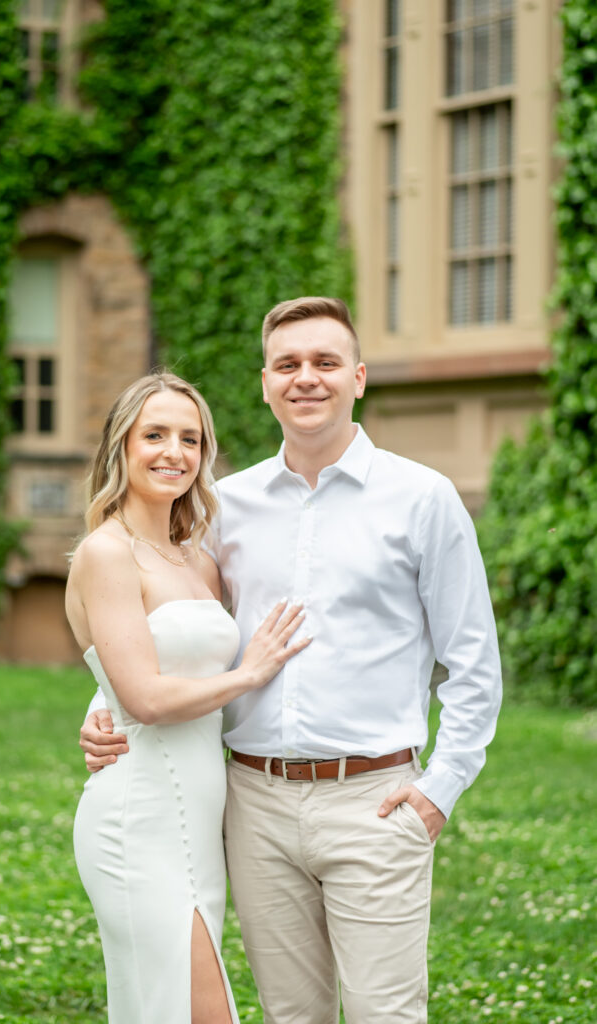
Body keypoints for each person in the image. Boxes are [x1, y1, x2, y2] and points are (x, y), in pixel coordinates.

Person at [81, 298, 502, 1024]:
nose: (306, 378)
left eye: (325, 362)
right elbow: (171, 628)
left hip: (374, 800)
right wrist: (102, 710)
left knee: (385, 1016)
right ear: (266, 382)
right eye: (288, 365)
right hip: (253, 806)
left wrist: (441, 789)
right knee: (290, 1017)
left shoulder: (422, 500)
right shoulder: (223, 509)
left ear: (359, 378)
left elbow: (473, 661)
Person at [67, 371, 311, 1024]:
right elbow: (143, 696)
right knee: (198, 1010)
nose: (174, 451)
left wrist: (97, 710)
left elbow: (133, 669)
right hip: (138, 819)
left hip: (200, 823)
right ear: (122, 445)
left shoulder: (197, 561)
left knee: (162, 1009)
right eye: (155, 434)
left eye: (191, 438)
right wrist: (248, 672)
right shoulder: (105, 553)